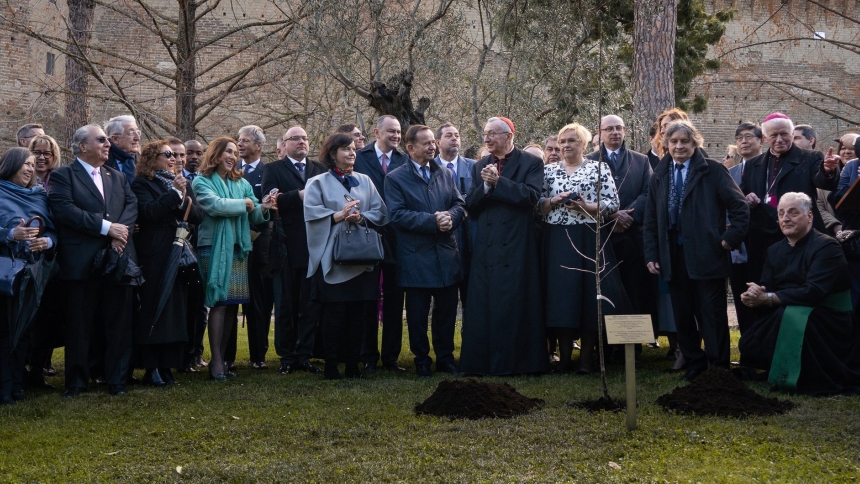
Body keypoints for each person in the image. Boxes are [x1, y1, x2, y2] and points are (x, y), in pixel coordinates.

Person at [643, 120, 749, 381]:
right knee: (682, 313)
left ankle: (718, 367)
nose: (679, 146)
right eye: (674, 141)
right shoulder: (659, 174)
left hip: (707, 253)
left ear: (695, 143)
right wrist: (652, 254)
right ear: (666, 144)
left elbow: (740, 207)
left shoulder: (711, 170)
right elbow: (650, 219)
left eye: (685, 141)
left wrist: (728, 239)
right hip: (673, 255)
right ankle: (694, 363)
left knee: (711, 313)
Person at [739, 192, 860, 395]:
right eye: (781, 213)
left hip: (827, 317)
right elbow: (767, 285)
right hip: (788, 309)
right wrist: (756, 292)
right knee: (752, 339)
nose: (785, 218)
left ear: (810, 216)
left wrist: (768, 298)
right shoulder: (774, 250)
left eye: (793, 213)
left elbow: (814, 292)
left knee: (779, 318)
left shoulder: (827, 247)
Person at [49, 125, 138, 398]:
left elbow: (131, 205)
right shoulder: (63, 176)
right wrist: (105, 228)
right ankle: (76, 382)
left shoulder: (117, 176)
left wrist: (118, 233)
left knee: (118, 323)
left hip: (117, 258)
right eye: (100, 140)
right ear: (82, 146)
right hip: (81, 261)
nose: (107, 144)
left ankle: (117, 380)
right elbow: (65, 211)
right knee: (79, 325)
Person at [460, 116, 548, 376]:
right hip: (487, 247)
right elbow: (471, 204)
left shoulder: (531, 162)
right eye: (485, 135)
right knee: (485, 304)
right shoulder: (480, 165)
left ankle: (517, 363)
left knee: (514, 302)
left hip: (518, 244)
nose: (486, 139)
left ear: (509, 136)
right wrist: (486, 185)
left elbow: (532, 197)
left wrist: (500, 183)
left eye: (492, 134)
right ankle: (482, 362)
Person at [304, 133, 389, 380]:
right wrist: (339, 215)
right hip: (332, 258)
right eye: (345, 149)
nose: (352, 153)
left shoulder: (365, 180)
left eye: (353, 149)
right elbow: (310, 214)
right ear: (332, 154)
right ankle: (331, 364)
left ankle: (353, 364)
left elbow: (380, 212)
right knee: (334, 313)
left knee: (358, 313)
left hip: (361, 259)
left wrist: (361, 217)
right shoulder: (317, 182)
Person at [542, 123, 625, 373]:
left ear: (584, 144)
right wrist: (552, 201)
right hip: (557, 238)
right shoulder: (548, 171)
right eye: (562, 141)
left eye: (572, 141)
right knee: (562, 298)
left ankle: (587, 360)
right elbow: (536, 204)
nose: (566, 146)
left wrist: (586, 207)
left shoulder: (598, 168)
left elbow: (613, 203)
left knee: (591, 298)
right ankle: (565, 358)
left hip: (589, 237)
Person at [191, 137, 274, 382]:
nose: (233, 156)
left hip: (238, 249)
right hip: (213, 247)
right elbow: (215, 206)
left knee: (232, 305)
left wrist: (265, 206)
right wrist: (246, 204)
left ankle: (224, 359)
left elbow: (256, 213)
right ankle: (215, 360)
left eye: (235, 153)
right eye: (228, 151)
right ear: (215, 154)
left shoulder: (241, 183)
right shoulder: (201, 181)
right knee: (219, 302)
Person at [386, 125, 466, 377]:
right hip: (415, 257)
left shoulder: (444, 173)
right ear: (410, 148)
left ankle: (445, 358)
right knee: (418, 316)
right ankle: (422, 359)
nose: (432, 146)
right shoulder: (395, 178)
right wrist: (432, 221)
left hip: (445, 255)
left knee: (446, 312)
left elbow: (459, 204)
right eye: (426, 143)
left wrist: (450, 218)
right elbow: (396, 215)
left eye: (433, 142)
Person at [130, 140, 204, 386]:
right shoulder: (142, 183)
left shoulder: (184, 184)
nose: (174, 159)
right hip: (154, 255)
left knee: (176, 311)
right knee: (154, 307)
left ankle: (168, 365)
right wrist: (173, 194)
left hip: (178, 254)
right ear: (152, 159)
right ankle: (151, 367)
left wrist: (182, 196)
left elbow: (198, 216)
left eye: (175, 155)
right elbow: (149, 212)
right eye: (167, 154)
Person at [740, 112, 839, 285]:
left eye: (784, 134)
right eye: (774, 135)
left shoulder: (810, 157)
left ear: (792, 134)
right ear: (765, 137)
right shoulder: (752, 164)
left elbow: (822, 181)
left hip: (799, 235)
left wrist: (828, 171)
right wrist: (747, 199)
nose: (779, 139)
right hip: (763, 236)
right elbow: (743, 193)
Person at [586, 115, 654, 362]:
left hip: (631, 237)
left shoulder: (640, 160)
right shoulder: (589, 161)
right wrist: (611, 216)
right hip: (602, 237)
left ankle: (631, 349)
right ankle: (607, 349)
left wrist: (627, 215)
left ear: (625, 130)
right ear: (600, 132)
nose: (614, 133)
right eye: (609, 129)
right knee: (605, 292)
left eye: (618, 128)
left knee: (632, 291)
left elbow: (648, 193)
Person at [262, 126, 326, 375]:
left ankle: (305, 355)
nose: (302, 142)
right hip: (286, 245)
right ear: (284, 144)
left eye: (305, 138)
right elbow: (270, 200)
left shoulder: (319, 169)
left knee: (309, 304)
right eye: (296, 138)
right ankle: (286, 357)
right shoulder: (273, 169)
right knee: (286, 304)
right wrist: (298, 195)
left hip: (314, 245)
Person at [0, 148, 57, 404]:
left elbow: (54, 233)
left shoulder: (39, 197)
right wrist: (11, 235)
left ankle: (16, 386)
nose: (31, 168)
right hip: (4, 274)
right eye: (26, 163)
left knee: (23, 331)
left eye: (33, 165)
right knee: (3, 331)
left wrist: (46, 241)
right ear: (11, 164)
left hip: (30, 274)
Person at [352, 115, 408, 373]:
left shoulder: (404, 159)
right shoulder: (359, 157)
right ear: (376, 131)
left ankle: (391, 357)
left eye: (398, 132)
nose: (396, 136)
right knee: (367, 298)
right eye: (391, 131)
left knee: (396, 300)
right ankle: (368, 356)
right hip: (367, 234)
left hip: (398, 238)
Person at [237, 125, 274, 370]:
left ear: (259, 146)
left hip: (260, 245)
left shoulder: (268, 171)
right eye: (238, 141)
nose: (240, 145)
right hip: (234, 243)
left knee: (258, 302)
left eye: (245, 141)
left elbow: (268, 209)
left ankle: (257, 354)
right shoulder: (231, 170)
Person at [728, 122, 763, 335]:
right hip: (737, 246)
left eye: (749, 136)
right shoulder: (730, 172)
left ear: (761, 140)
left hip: (763, 241)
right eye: (739, 137)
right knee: (742, 295)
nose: (744, 141)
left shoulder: (769, 168)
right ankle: (747, 345)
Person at [434, 123, 474, 310]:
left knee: (471, 299)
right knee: (444, 305)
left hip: (471, 240)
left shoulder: (474, 167)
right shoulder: (429, 168)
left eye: (457, 135)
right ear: (437, 142)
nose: (454, 138)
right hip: (441, 238)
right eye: (449, 135)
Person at [180, 139, 208, 371]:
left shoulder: (202, 181)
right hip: (180, 248)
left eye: (199, 153)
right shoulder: (177, 180)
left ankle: (196, 352)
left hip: (200, 247)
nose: (193, 157)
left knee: (200, 306)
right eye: (190, 153)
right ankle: (182, 353)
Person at [104, 115, 141, 184]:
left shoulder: (144, 161)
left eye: (138, 132)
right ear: (115, 139)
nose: (137, 138)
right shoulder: (101, 163)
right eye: (131, 133)